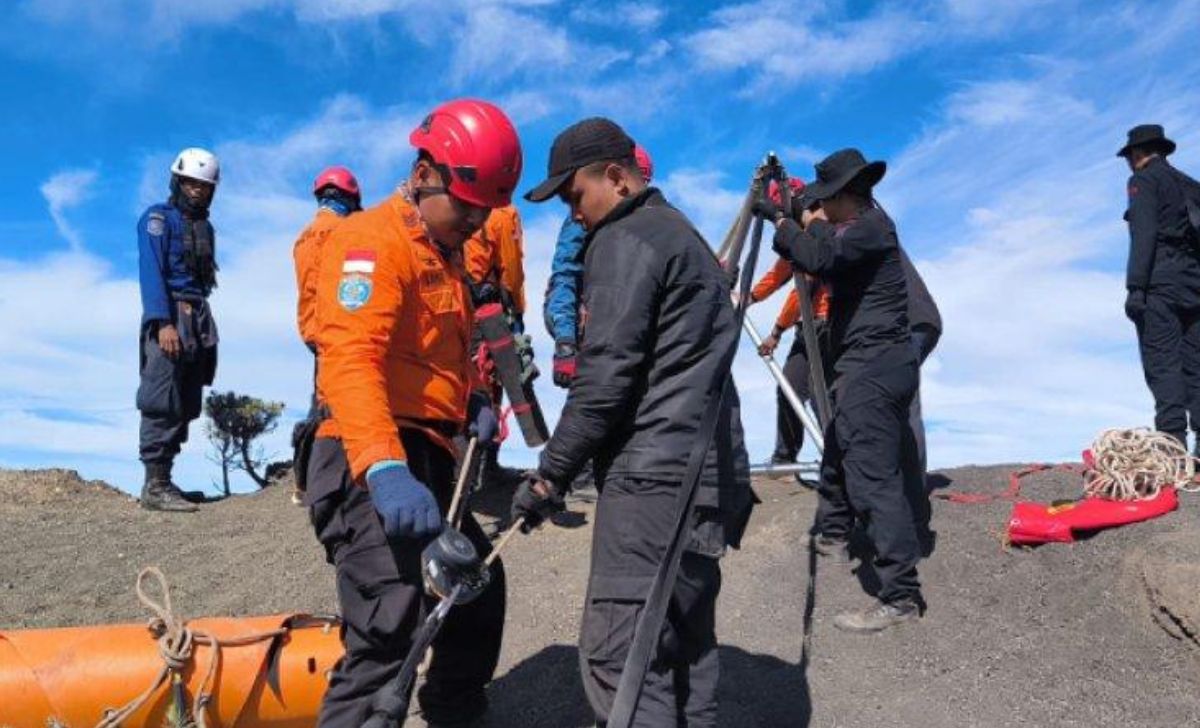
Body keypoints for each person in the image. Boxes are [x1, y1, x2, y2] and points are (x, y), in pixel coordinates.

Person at [516, 118, 753, 727]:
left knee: (618, 657)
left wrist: (549, 476)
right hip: (704, 479)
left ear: (616, 178)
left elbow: (604, 381)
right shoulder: (686, 239)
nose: (573, 215)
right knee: (685, 650)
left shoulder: (625, 241)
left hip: (653, 480)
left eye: (575, 196)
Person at [306, 99, 518, 727]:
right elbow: (349, 359)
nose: (476, 225)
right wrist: (383, 468)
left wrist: (473, 402)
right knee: (391, 619)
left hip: (426, 450)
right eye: (467, 208)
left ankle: (453, 714)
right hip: (361, 448)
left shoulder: (446, 259)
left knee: (474, 591)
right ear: (426, 174)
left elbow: (433, 360)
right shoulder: (369, 242)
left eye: (486, 213)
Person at [756, 147, 922, 633]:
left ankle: (901, 594)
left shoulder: (871, 227)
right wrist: (798, 219)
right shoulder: (857, 226)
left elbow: (820, 253)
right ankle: (833, 530)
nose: (821, 209)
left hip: (876, 362)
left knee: (873, 474)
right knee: (840, 443)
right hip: (864, 363)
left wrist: (786, 224)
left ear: (846, 196)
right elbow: (815, 257)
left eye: (827, 200)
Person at [136, 147, 221, 512]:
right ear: (178, 181)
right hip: (170, 314)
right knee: (161, 398)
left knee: (186, 399)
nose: (197, 190)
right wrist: (163, 322)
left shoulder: (206, 227)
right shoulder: (158, 219)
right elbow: (151, 271)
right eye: (190, 182)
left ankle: (165, 480)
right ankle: (154, 486)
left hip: (197, 317)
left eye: (203, 185)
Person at [543, 144, 654, 389]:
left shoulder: (645, 222)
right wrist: (565, 344)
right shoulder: (582, 221)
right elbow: (565, 276)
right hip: (588, 329)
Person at [1119, 124, 1200, 452]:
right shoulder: (1191, 185)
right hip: (1195, 285)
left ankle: (1173, 449)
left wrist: (1135, 288)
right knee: (1196, 365)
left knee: (1163, 363)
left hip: (1161, 283)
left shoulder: (1143, 181)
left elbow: (1144, 235)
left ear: (1138, 154)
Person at [290, 167, 362, 505]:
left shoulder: (305, 236)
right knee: (335, 404)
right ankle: (321, 479)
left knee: (321, 397)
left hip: (315, 329)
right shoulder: (345, 232)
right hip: (341, 328)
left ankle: (304, 479)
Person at [748, 178, 831, 470]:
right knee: (790, 388)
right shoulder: (797, 236)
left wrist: (776, 332)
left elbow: (802, 288)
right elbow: (780, 272)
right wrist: (749, 296)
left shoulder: (818, 230)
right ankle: (785, 458)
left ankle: (838, 458)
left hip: (826, 323)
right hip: (806, 330)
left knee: (821, 393)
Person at [463, 204, 529, 489]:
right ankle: (480, 471)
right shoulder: (502, 213)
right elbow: (511, 267)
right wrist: (516, 308)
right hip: (485, 309)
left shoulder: (450, 206)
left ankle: (459, 470)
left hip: (452, 307)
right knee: (488, 385)